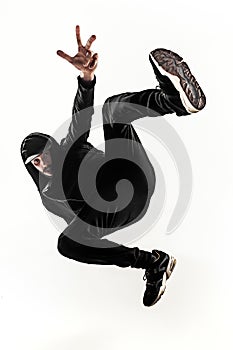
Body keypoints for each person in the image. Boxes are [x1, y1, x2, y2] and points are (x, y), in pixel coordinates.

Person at [20, 25, 206, 307]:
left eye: (44, 153)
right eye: (36, 162)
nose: (42, 162)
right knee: (67, 243)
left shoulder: (71, 147)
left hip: (130, 174)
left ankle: (172, 100)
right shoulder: (48, 198)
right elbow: (86, 235)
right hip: (115, 209)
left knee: (111, 110)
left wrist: (86, 77)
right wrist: (89, 237)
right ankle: (152, 263)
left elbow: (81, 118)